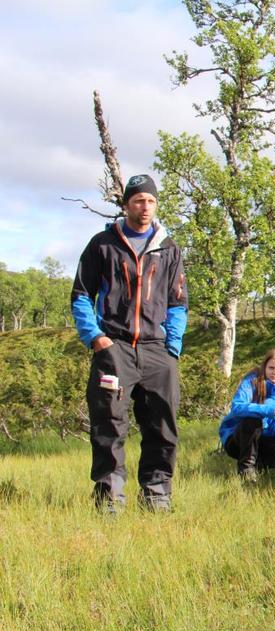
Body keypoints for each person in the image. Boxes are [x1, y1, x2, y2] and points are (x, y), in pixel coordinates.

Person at [71, 174, 188, 513]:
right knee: (109, 425)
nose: (145, 206)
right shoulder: (102, 244)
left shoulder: (169, 249)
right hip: (115, 348)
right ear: (126, 205)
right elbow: (81, 294)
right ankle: (110, 499)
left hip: (157, 350)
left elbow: (178, 302)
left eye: (150, 200)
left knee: (163, 426)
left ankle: (157, 494)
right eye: (138, 200)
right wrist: (96, 338)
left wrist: (173, 348)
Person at [219, 348, 275, 481]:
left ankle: (258, 466)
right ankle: (246, 469)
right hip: (239, 439)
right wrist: (268, 410)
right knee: (253, 420)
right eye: (271, 368)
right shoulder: (252, 380)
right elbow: (237, 407)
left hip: (264, 439)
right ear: (265, 367)